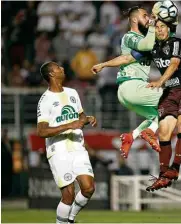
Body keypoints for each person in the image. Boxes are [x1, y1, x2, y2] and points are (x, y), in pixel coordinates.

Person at [91, 6, 161, 158]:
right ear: (135, 19)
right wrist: (153, 25)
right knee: (174, 98)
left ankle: (131, 136)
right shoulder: (130, 37)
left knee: (160, 115)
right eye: (144, 16)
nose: (148, 18)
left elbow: (126, 58)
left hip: (128, 92)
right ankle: (149, 133)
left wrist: (103, 64)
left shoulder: (140, 42)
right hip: (133, 86)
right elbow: (148, 45)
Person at [37, 61, 97, 223]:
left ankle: (70, 219)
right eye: (58, 67)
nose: (62, 68)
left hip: (78, 146)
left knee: (88, 188)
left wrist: (87, 119)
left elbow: (80, 116)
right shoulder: (46, 100)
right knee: (68, 194)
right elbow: (41, 131)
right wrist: (70, 125)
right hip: (59, 150)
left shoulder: (72, 93)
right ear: (51, 74)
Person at [144, 19, 181, 191]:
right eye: (157, 27)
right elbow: (128, 56)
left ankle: (175, 168)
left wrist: (160, 80)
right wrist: (104, 64)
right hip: (170, 92)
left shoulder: (176, 42)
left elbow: (174, 64)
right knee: (164, 131)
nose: (160, 30)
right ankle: (163, 175)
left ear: (169, 29)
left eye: (163, 27)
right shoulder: (152, 47)